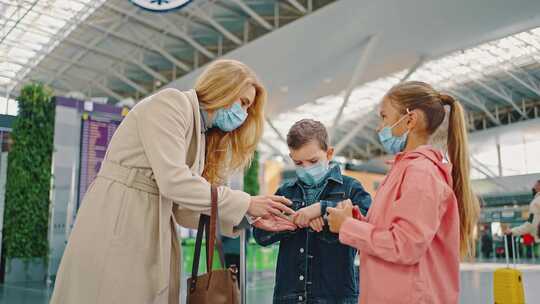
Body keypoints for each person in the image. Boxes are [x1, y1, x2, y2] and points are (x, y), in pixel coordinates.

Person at [50, 59, 295, 304]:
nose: (243, 113)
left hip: (147, 220)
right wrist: (246, 203)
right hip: (122, 218)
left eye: (248, 108)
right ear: (223, 87)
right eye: (242, 102)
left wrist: (248, 217)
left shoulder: (201, 132)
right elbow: (174, 182)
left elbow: (185, 209)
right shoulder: (172, 103)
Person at [327, 81, 480, 304]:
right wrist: (355, 220)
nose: (379, 127)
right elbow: (393, 232)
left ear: (410, 119)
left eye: (384, 117)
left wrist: (348, 226)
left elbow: (405, 246)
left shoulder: (421, 174)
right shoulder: (402, 169)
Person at [254, 119, 372, 304]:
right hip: (289, 297)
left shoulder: (351, 189)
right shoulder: (285, 192)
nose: (307, 168)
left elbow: (369, 224)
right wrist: (294, 221)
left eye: (314, 161)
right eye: (299, 163)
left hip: (336, 297)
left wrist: (323, 211)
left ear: (329, 153)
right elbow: (260, 235)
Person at [505, 180, 540, 245]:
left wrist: (512, 231)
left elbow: (531, 224)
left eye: (535, 186)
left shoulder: (536, 202)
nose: (533, 188)